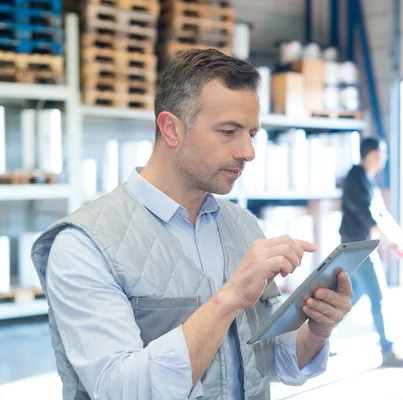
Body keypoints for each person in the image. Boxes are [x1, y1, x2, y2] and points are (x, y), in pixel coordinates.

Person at [31, 49, 354, 400]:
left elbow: (273, 362)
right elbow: (120, 390)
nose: (248, 151)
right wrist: (229, 298)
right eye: (228, 131)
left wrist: (316, 331)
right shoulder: (84, 245)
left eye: (252, 133)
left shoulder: (243, 227)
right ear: (171, 129)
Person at [339, 137, 403, 368]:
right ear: (372, 154)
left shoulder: (369, 181)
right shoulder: (355, 178)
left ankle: (320, 340)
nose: (385, 158)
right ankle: (387, 350)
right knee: (378, 295)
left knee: (353, 297)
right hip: (357, 246)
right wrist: (389, 239)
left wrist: (399, 236)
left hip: (362, 245)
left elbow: (380, 213)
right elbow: (365, 214)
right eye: (383, 153)